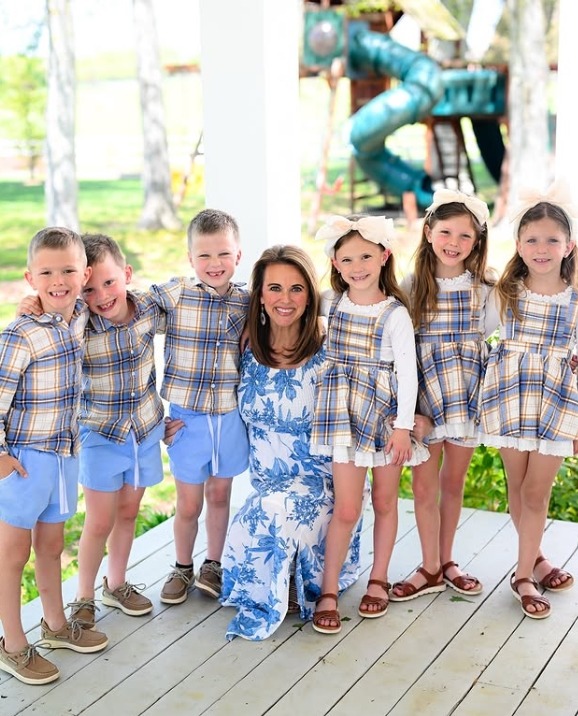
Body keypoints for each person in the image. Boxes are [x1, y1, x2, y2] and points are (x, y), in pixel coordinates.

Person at [208, 244, 363, 640]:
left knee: (270, 513)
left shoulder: (330, 348)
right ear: (259, 295)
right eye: (274, 288)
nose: (286, 299)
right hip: (268, 487)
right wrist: (174, 423)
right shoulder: (246, 348)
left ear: (310, 295)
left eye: (297, 289)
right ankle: (282, 581)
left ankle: (295, 584)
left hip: (322, 486)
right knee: (262, 509)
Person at [310, 215, 428, 634]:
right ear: (335, 264)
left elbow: (408, 374)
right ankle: (328, 589)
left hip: (383, 419)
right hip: (342, 417)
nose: (357, 267)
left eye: (365, 256)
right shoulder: (331, 302)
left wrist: (402, 427)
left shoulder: (394, 314)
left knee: (384, 501)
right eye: (347, 259)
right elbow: (288, 309)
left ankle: (378, 578)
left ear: (384, 256)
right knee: (346, 507)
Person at [0, 227, 108, 687]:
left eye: (67, 270)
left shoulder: (80, 315)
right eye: (45, 273)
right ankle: (13, 644)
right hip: (25, 459)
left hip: (66, 454)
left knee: (50, 545)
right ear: (30, 277)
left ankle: (56, 626)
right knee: (12, 554)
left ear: (85, 274)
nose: (58, 281)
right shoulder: (20, 334)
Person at [391, 189, 498, 602]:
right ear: (428, 232)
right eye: (446, 232)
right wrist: (407, 411)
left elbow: (491, 336)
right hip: (425, 400)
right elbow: (400, 350)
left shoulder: (484, 289)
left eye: (465, 235)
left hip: (465, 396)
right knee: (423, 487)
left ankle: (448, 560)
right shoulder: (412, 286)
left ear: (477, 241)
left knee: (453, 483)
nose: (454, 242)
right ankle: (429, 566)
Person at [69, 234, 182, 626]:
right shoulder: (80, 326)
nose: (101, 296)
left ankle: (115, 584)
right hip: (100, 435)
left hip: (144, 432)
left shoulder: (148, 308)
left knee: (129, 513)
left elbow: (190, 296)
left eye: (109, 282)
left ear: (127, 274)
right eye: (89, 289)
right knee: (99, 521)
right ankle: (83, 596)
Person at [478, 182, 577, 619]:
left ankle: (522, 576)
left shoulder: (575, 296)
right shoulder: (506, 292)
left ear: (569, 246)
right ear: (518, 245)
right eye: (532, 240)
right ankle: (534, 562)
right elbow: (474, 332)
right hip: (509, 395)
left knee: (537, 491)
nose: (541, 249)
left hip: (556, 399)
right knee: (518, 488)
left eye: (552, 240)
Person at [158, 209, 250, 605]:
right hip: (187, 420)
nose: (215, 263)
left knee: (220, 495)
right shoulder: (177, 294)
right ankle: (182, 566)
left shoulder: (246, 301)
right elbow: (128, 309)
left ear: (238, 255)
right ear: (190, 257)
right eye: (205, 255)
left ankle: (214, 563)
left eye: (224, 254)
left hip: (229, 416)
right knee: (189, 502)